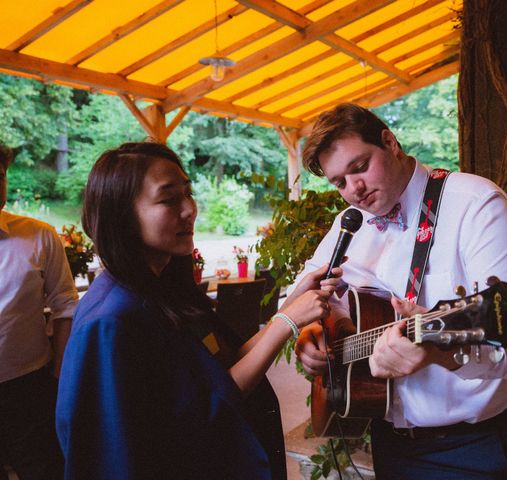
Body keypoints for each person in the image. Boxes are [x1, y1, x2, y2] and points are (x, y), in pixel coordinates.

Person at [55, 142, 341, 480]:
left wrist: (291, 306)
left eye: (188, 194)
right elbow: (199, 414)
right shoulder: (112, 320)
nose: (189, 209)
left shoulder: (164, 291)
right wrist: (286, 322)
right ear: (122, 215)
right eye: (169, 199)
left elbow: (224, 370)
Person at [293, 104, 507, 479]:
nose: (353, 190)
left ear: (390, 143)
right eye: (338, 182)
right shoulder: (349, 224)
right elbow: (301, 294)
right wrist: (311, 334)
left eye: (359, 167)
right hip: (388, 439)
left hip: (472, 448)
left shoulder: (477, 207)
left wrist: (440, 351)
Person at [0, 145, 78, 480]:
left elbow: (67, 308)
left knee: (43, 470)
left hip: (28, 388)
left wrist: (58, 380)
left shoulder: (39, 237)